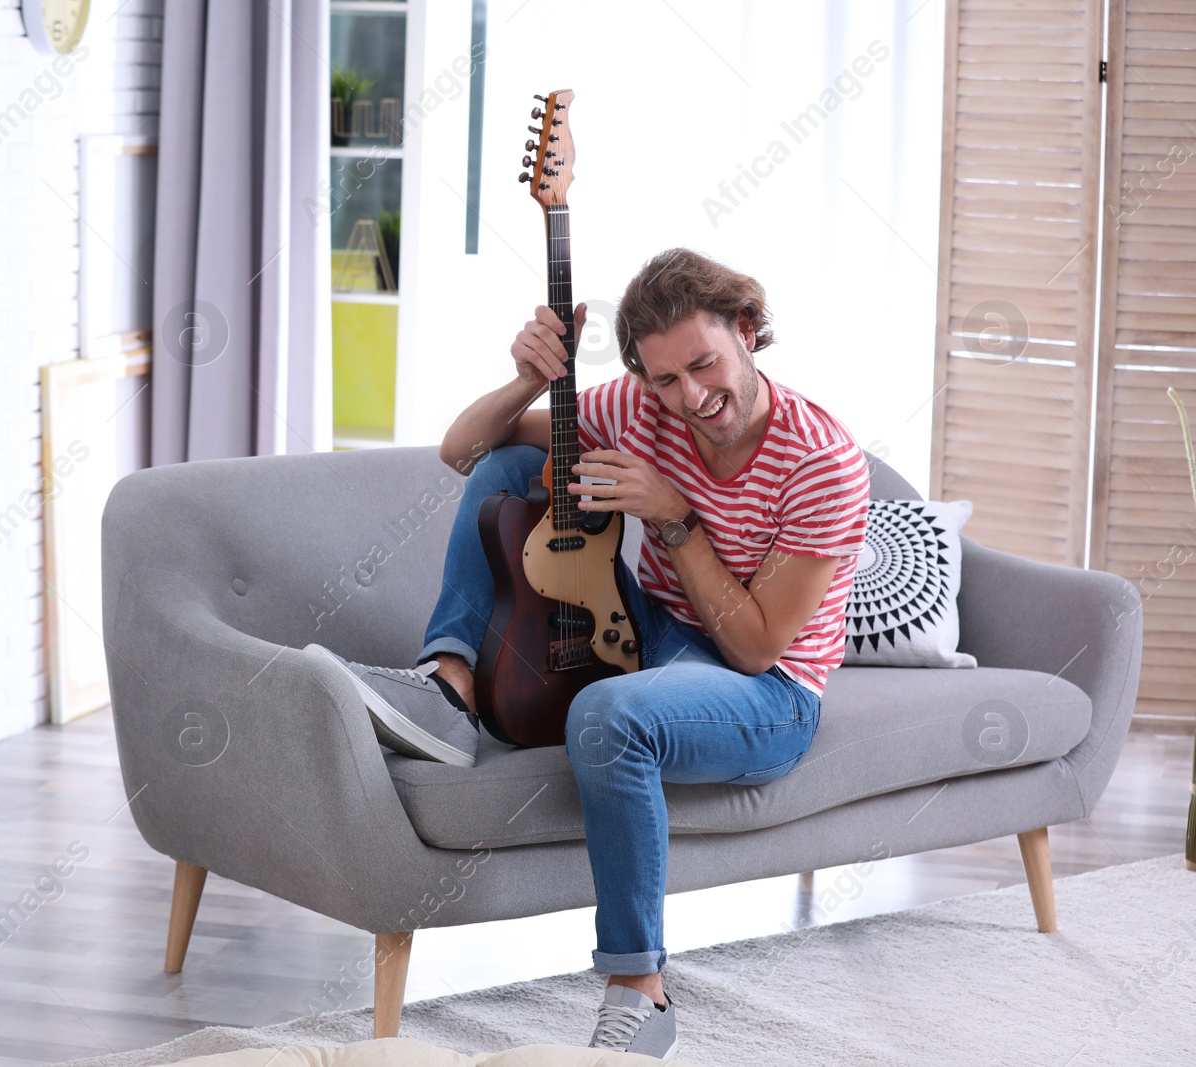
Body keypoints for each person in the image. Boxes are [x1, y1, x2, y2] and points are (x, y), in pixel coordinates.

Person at [305, 247, 870, 1059]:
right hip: (660, 630)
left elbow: (751, 647)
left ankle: (639, 985)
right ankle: (449, 685)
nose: (691, 398)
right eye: (665, 380)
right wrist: (528, 380)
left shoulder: (820, 462)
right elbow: (465, 453)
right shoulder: (646, 409)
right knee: (511, 464)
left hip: (770, 692)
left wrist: (673, 515)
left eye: (705, 365)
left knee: (607, 714)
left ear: (747, 331)